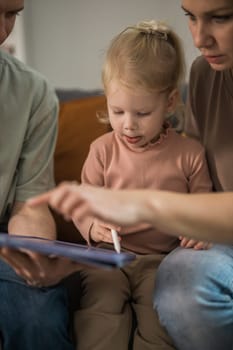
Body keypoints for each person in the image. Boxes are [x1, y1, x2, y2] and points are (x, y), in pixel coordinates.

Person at [28, 0, 233, 349]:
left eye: (141, 113)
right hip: (108, 258)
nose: (128, 124)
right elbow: (85, 204)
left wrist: (197, 234)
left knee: (156, 324)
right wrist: (92, 226)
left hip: (160, 259)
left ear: (169, 103)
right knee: (99, 313)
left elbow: (205, 203)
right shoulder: (102, 149)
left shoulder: (189, 153)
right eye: (117, 111)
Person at [0, 1, 78, 349]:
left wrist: (36, 258)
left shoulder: (33, 92)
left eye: (11, 14)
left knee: (38, 311)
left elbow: (29, 205)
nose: (3, 32)